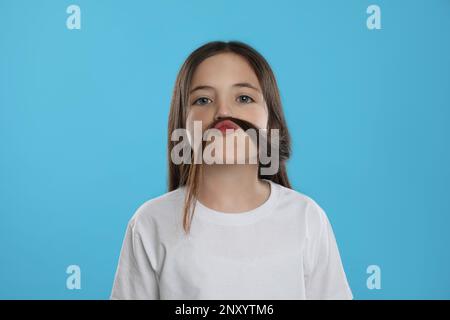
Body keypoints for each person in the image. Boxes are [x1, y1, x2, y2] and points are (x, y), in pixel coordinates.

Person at [110, 41, 353, 300]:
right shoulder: (150, 222)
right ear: (182, 122)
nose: (224, 111)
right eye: (203, 99)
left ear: (271, 120)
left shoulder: (306, 219)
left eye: (244, 98)